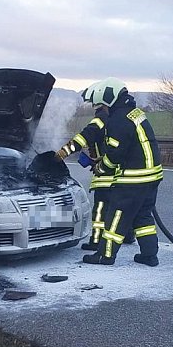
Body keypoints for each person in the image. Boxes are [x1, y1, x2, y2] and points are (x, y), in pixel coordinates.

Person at [81, 78, 163, 266]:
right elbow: (128, 146)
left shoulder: (118, 120)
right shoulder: (134, 113)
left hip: (135, 177)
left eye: (101, 104)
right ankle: (150, 255)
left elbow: (115, 154)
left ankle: (105, 256)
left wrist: (101, 167)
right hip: (152, 175)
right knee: (143, 216)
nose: (100, 108)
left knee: (116, 215)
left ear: (108, 99)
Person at [56, 94, 115, 251]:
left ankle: (96, 242)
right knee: (120, 207)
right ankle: (127, 236)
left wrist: (62, 153)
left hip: (105, 175)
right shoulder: (118, 120)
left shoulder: (99, 120)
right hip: (120, 174)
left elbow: (81, 139)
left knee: (100, 212)